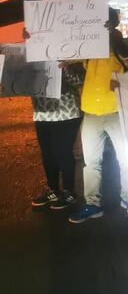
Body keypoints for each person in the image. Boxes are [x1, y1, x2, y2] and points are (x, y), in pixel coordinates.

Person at [68, 8, 128, 224]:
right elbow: (79, 73)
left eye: (106, 21)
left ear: (114, 23)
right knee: (91, 162)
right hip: (91, 112)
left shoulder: (123, 44)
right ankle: (92, 204)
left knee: (125, 160)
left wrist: (110, 38)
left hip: (118, 111)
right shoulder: (88, 47)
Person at [28, 62, 84, 210]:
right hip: (42, 112)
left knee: (62, 153)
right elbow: (23, 81)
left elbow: (80, 80)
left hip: (66, 112)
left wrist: (66, 68)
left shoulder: (70, 53)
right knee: (47, 154)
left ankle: (69, 192)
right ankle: (53, 190)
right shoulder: (32, 56)